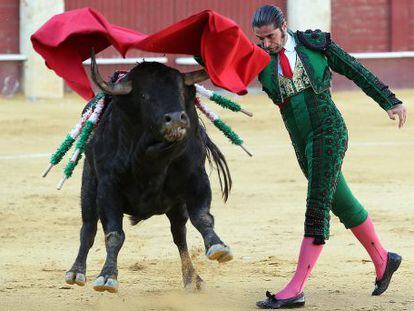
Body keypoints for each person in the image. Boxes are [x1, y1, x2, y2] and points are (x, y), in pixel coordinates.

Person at [251, 4, 407, 309]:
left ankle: (295, 287)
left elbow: (353, 69)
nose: (266, 44)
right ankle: (383, 260)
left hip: (329, 133)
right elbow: (224, 69)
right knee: (341, 201)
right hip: (302, 144)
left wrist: (389, 100)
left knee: (317, 204)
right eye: (260, 39)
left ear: (284, 26)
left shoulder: (315, 43)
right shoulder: (259, 61)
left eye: (270, 37)